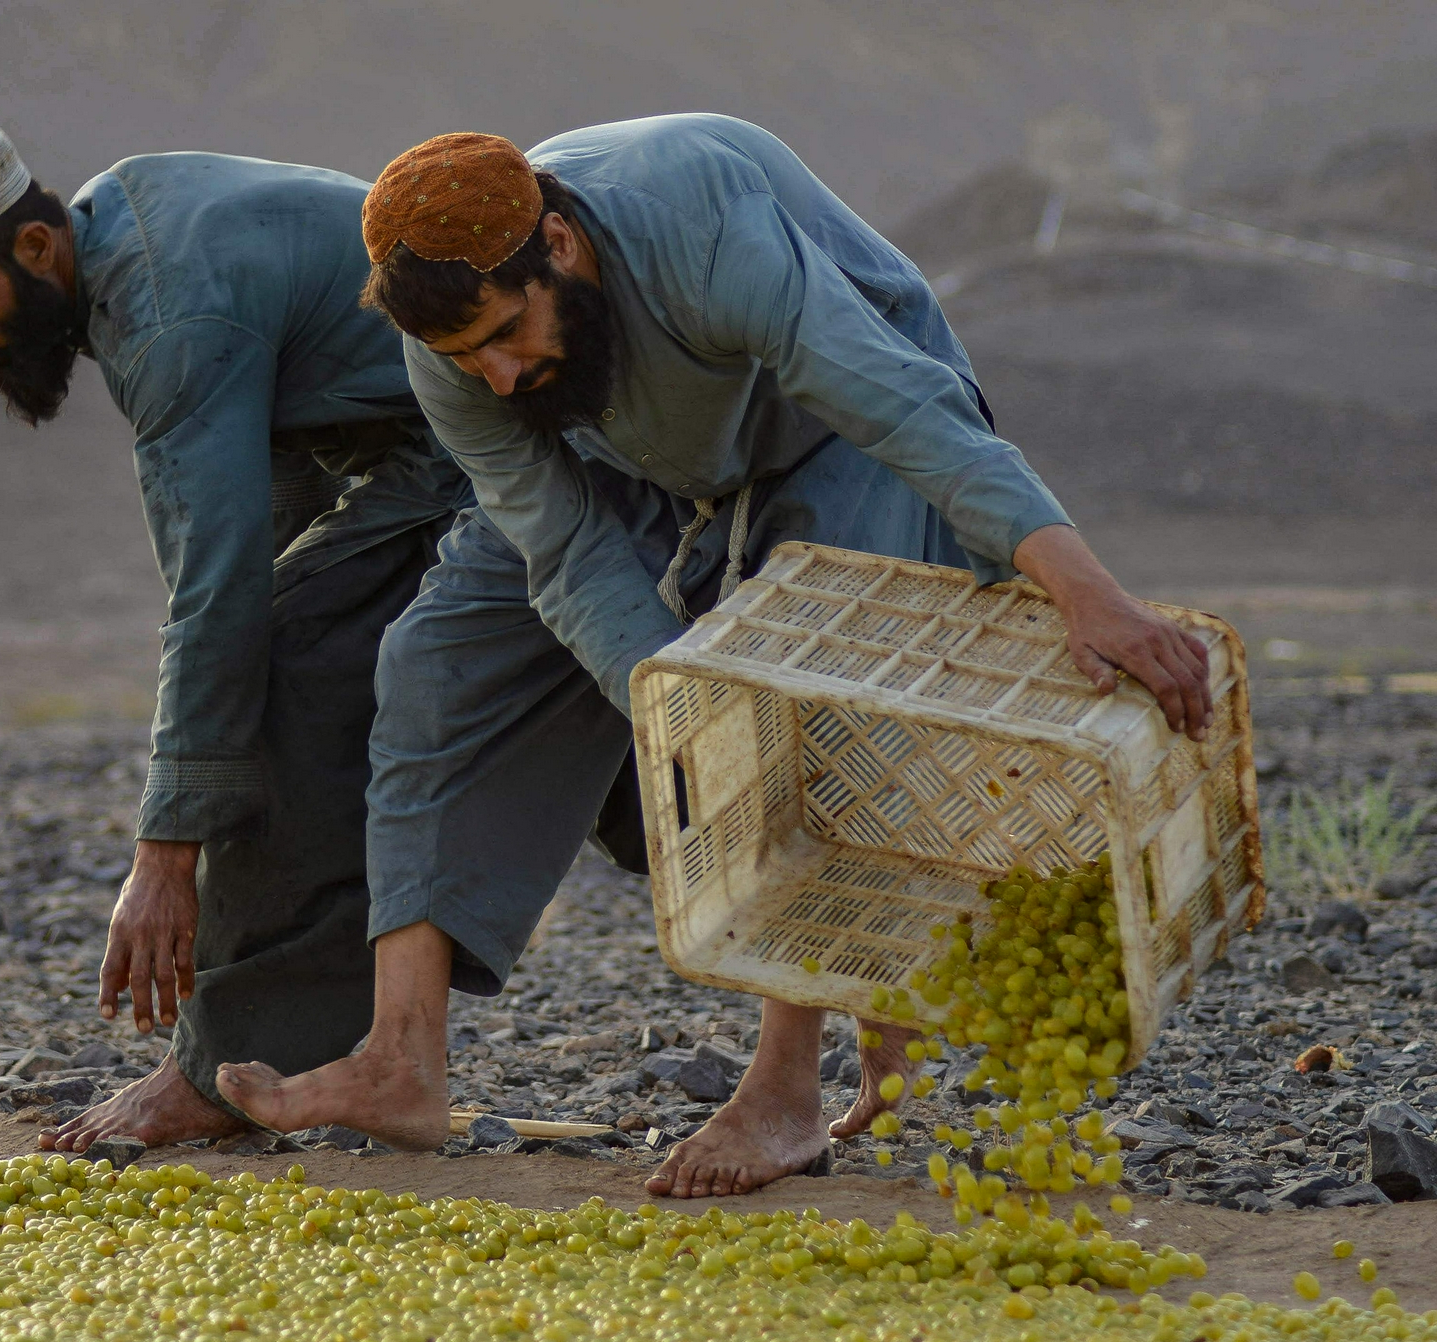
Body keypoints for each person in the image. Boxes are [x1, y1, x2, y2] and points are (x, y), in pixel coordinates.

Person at [216, 117, 1212, 1197]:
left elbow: (900, 407)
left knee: (808, 709)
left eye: (505, 334)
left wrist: (1084, 590)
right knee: (431, 659)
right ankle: (399, 1059)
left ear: (556, 245)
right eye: (467, 358)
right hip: (623, 455)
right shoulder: (458, 355)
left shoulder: (695, 230)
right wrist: (681, 714)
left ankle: (784, 1090)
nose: (496, 376)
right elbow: (560, 547)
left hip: (829, 425)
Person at [0, 126, 470, 1151]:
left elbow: (214, 581)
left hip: (468, 456)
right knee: (284, 656)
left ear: (33, 251)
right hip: (412, 459)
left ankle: (223, 1072)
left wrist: (164, 853)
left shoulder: (164, 312)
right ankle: (352, 1044)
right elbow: (270, 489)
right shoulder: (125, 230)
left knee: (282, 686)